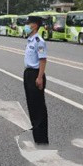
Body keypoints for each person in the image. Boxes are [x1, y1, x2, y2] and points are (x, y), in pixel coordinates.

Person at [23, 16, 49, 145]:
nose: (26, 26)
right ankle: (37, 137)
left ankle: (42, 141)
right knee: (32, 106)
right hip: (28, 74)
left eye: (28, 24)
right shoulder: (30, 40)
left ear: (35, 25)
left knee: (38, 108)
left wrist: (39, 77)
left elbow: (42, 60)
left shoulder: (39, 41)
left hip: (35, 74)